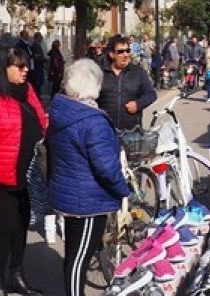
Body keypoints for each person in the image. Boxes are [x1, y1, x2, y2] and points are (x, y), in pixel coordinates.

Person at [47, 59, 131, 296]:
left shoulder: (62, 111)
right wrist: (123, 189)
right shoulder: (93, 121)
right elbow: (106, 167)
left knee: (74, 252)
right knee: (78, 258)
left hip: (68, 192)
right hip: (88, 200)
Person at [0, 47, 47, 296]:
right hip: (4, 173)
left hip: (28, 172)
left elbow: (41, 120)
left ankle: (17, 275)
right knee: (6, 227)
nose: (26, 71)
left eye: (27, 66)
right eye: (20, 67)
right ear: (5, 68)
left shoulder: (27, 91)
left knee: (22, 224)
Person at [98, 35, 157, 130]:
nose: (125, 55)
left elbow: (151, 94)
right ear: (111, 54)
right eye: (120, 52)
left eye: (127, 51)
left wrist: (138, 104)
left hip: (131, 132)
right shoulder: (100, 73)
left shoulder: (138, 72)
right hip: (104, 130)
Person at [31, 32, 46, 96]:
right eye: (40, 37)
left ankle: (38, 95)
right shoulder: (34, 46)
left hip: (39, 67)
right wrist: (42, 59)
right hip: (37, 67)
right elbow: (36, 57)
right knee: (37, 83)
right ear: (36, 38)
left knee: (39, 83)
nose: (41, 38)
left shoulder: (38, 46)